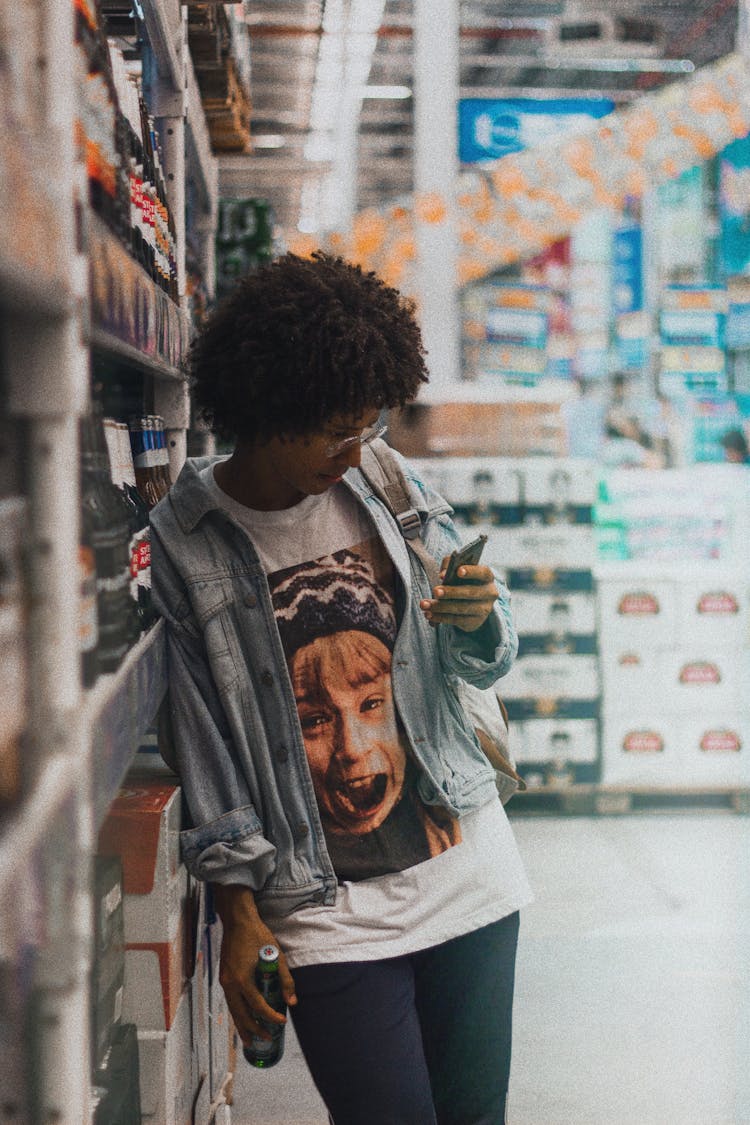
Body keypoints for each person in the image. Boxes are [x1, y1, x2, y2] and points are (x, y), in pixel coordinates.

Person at [151, 251, 532, 1125]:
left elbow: (480, 651)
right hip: (326, 910)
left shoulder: (384, 479)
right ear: (264, 410)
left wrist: (476, 615)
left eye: (365, 426)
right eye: (331, 431)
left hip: (467, 871)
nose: (350, 450)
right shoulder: (188, 539)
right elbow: (200, 738)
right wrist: (238, 908)